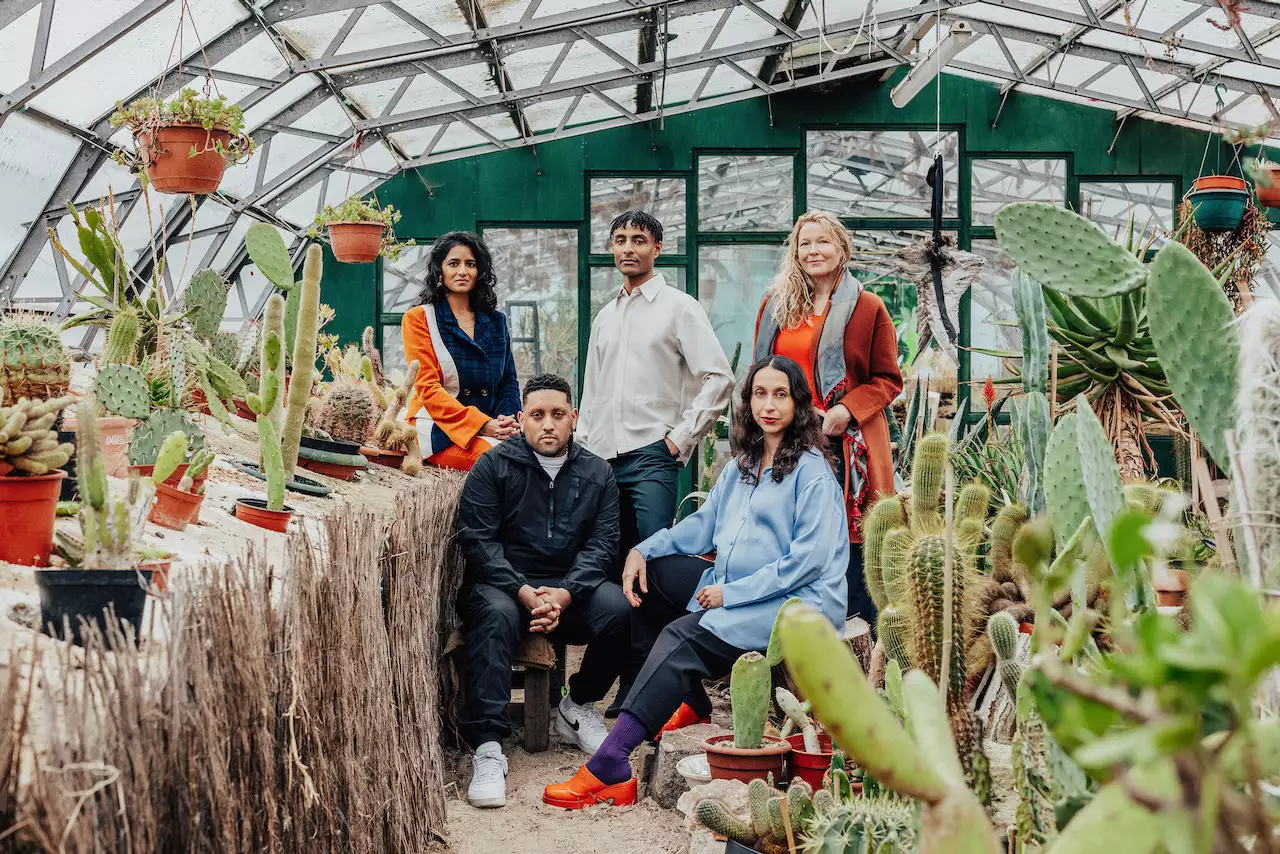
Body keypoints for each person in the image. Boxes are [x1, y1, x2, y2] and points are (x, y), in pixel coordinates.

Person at [542, 356, 849, 809]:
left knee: (682, 638)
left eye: (780, 394)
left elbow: (807, 561)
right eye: (759, 393)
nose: (768, 405)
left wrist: (731, 595)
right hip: (739, 586)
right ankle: (693, 703)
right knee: (651, 582)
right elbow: (703, 524)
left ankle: (612, 762)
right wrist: (642, 551)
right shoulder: (743, 464)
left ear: (798, 404)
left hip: (798, 604)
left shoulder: (813, 473)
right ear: (748, 401)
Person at [577, 209, 734, 715]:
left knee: (648, 570)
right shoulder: (605, 316)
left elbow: (720, 377)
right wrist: (583, 453)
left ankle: (638, 693)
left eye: (638, 240)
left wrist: (677, 440)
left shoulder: (678, 308)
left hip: (651, 458)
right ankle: (652, 689)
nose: (628, 248)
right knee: (615, 576)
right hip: (602, 460)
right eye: (619, 239)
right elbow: (593, 392)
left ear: (657, 248)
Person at [456, 373, 630, 809]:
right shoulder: (493, 467)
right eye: (537, 415)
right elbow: (478, 541)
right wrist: (523, 590)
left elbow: (604, 545)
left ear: (574, 417)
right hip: (503, 587)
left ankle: (578, 706)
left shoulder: (598, 473)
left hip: (570, 588)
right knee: (493, 618)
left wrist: (564, 594)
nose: (548, 424)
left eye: (557, 414)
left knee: (619, 609)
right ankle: (489, 748)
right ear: (521, 419)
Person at [752, 211, 902, 625]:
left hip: (843, 441)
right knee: (790, 534)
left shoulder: (868, 308)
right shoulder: (776, 306)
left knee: (849, 543)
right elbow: (759, 373)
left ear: (841, 248)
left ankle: (858, 635)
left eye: (823, 242)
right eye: (805, 243)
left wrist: (844, 410)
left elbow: (888, 379)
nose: (813, 250)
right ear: (795, 252)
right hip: (787, 438)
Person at [401, 231, 521, 471]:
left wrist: (508, 419)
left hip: (492, 428)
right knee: (504, 464)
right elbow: (428, 389)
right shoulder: (421, 318)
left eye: (471, 264)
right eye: (453, 264)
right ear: (440, 270)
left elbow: (508, 381)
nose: (463, 271)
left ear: (480, 272)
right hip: (437, 427)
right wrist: (481, 424)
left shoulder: (496, 321)